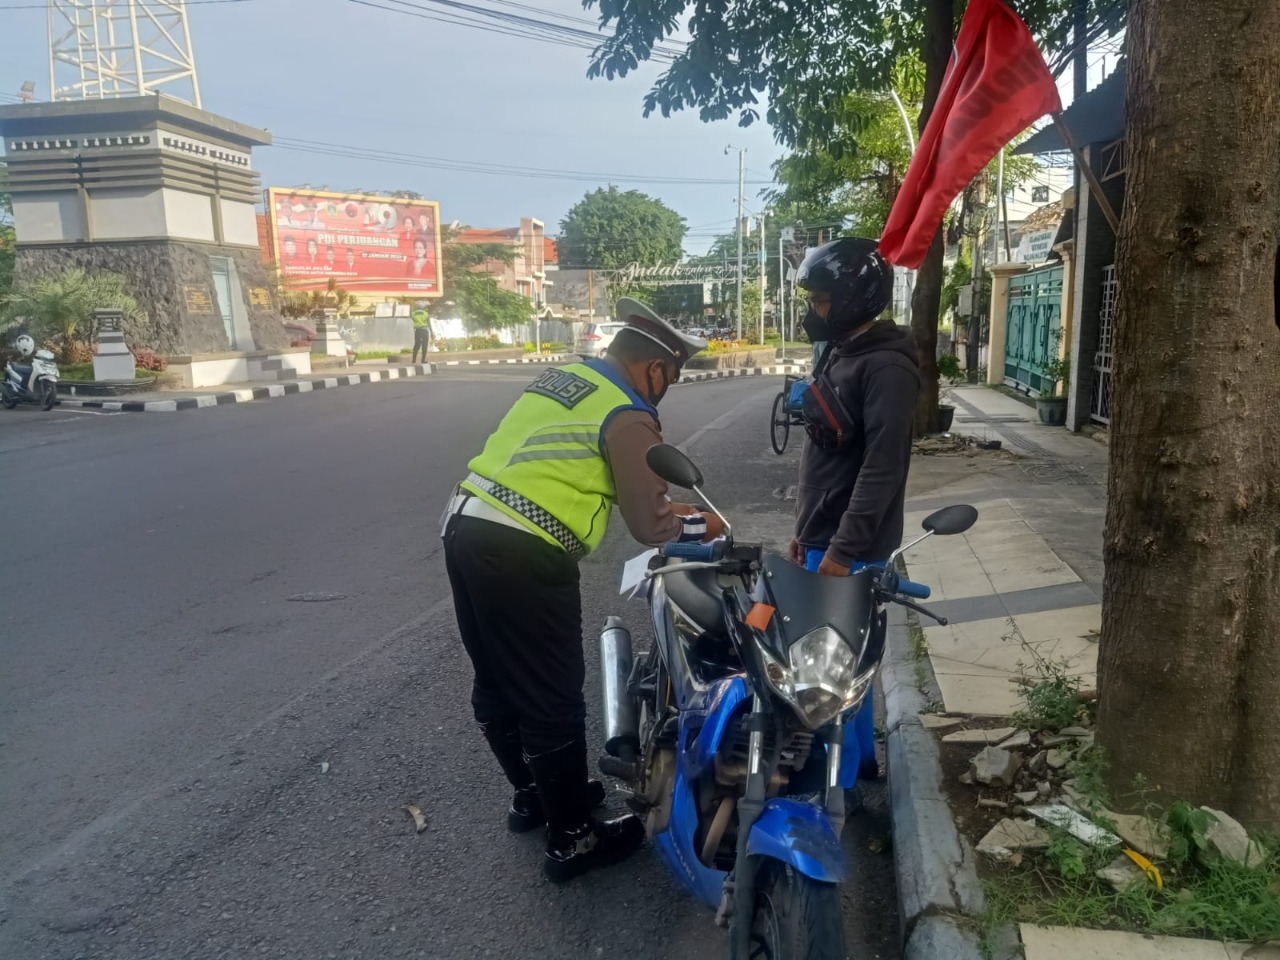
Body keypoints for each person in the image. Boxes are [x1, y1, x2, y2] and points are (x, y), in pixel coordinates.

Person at [440, 299, 719, 883]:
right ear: (655, 368)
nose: (666, 390)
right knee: (552, 697)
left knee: (497, 679)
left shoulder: (567, 378)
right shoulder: (628, 412)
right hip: (524, 551)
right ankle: (573, 839)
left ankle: (533, 797)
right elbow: (651, 524)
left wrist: (673, 510)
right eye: (671, 377)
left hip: (466, 526)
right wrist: (704, 525)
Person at [788, 237, 920, 788]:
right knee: (842, 670)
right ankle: (861, 767)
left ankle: (836, 792)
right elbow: (822, 458)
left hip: (853, 549)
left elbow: (882, 468)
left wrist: (843, 549)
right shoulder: (841, 352)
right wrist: (804, 532)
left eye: (821, 299)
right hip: (823, 536)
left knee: (831, 674)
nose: (814, 310)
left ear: (852, 298)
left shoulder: (887, 367)